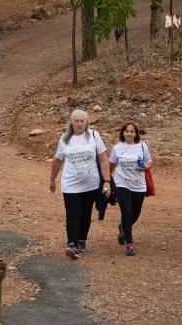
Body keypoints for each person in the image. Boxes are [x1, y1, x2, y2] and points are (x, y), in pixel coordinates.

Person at [49, 109, 111, 260]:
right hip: (70, 183)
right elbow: (58, 160)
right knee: (72, 213)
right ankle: (72, 244)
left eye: (82, 121)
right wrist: (52, 179)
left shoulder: (94, 136)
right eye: (76, 121)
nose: (79, 124)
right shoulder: (65, 139)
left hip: (91, 184)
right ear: (72, 122)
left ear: (86, 122)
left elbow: (103, 159)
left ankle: (82, 240)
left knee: (85, 213)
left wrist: (107, 181)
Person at [109, 121, 152, 256]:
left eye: (132, 131)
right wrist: (108, 180)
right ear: (122, 133)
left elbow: (149, 162)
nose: (129, 133)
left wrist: (145, 167)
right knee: (127, 210)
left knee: (136, 213)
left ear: (135, 133)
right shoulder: (117, 148)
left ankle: (123, 228)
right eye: (126, 131)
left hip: (139, 184)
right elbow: (111, 164)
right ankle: (130, 243)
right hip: (122, 183)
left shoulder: (142, 146)